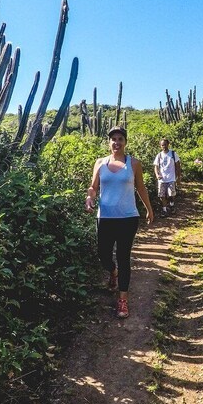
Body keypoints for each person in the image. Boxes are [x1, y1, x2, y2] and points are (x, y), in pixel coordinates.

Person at [85, 126, 154, 319]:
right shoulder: (100, 163)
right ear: (109, 142)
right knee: (103, 254)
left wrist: (149, 209)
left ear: (125, 142)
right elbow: (93, 187)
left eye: (120, 139)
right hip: (105, 217)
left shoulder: (134, 164)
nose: (116, 142)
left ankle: (123, 300)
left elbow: (141, 188)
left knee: (124, 257)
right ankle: (112, 272)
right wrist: (89, 198)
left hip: (127, 217)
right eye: (113, 139)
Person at [153, 138, 181, 216]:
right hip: (162, 179)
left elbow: (178, 165)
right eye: (162, 145)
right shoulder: (159, 155)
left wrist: (178, 177)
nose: (164, 146)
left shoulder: (173, 154)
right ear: (160, 146)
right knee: (161, 196)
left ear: (168, 144)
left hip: (171, 178)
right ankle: (164, 210)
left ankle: (172, 205)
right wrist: (157, 174)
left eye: (165, 144)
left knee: (171, 194)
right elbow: (156, 166)